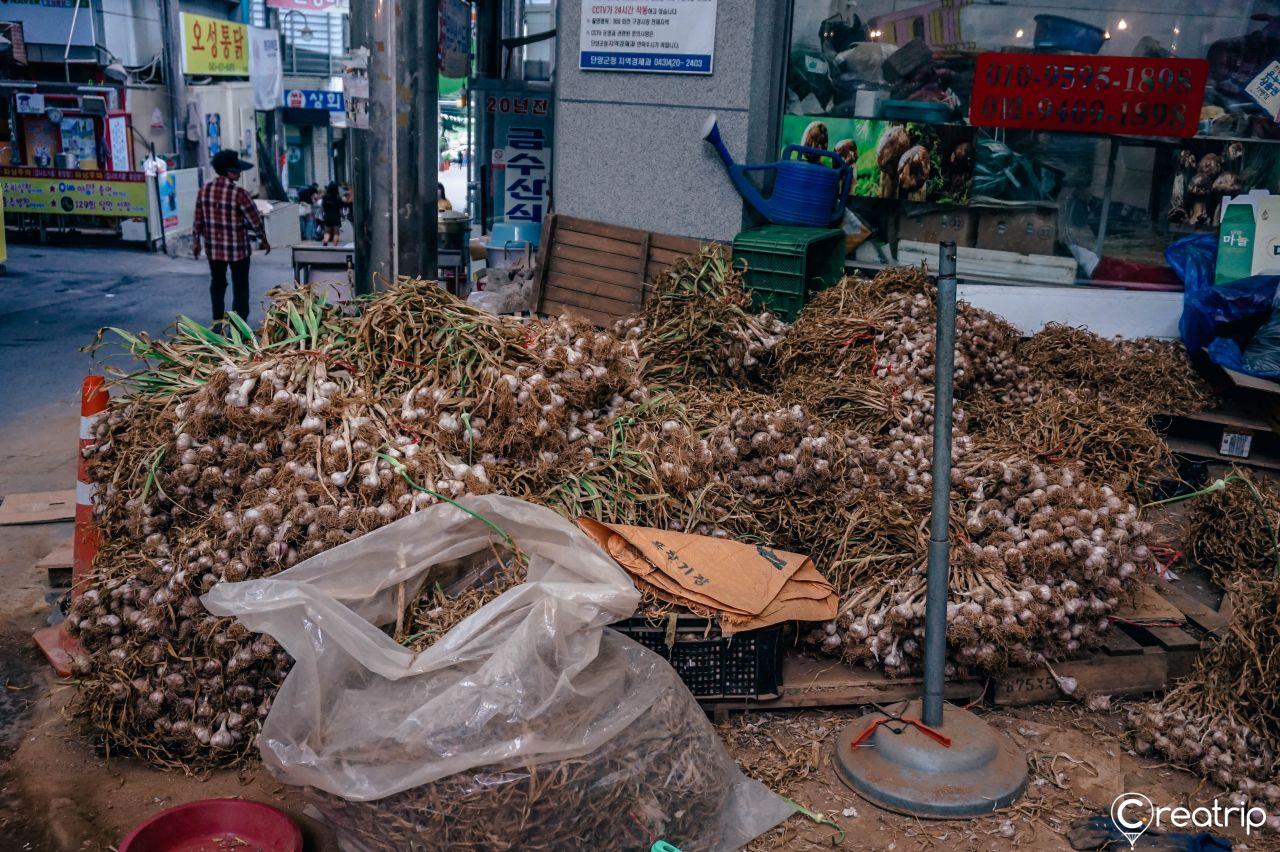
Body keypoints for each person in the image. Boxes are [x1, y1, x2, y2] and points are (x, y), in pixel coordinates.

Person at [192, 149, 270, 325]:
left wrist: (196, 242)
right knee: (240, 286)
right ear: (229, 172)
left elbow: (198, 220)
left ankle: (217, 321)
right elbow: (255, 220)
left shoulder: (204, 191)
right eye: (237, 170)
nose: (240, 173)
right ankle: (238, 326)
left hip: (213, 248)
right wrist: (264, 239)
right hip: (238, 250)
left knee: (217, 284)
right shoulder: (239, 193)